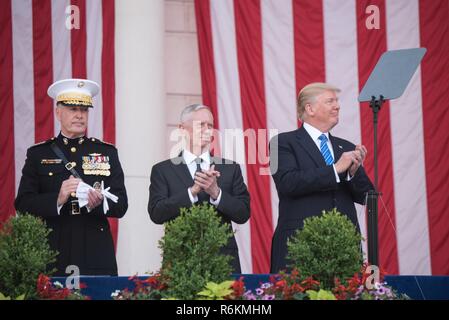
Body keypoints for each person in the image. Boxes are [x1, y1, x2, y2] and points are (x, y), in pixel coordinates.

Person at [15, 79, 128, 276]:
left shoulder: (106, 152)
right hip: (53, 248)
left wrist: (98, 203)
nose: (79, 115)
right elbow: (23, 203)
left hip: (95, 249)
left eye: (84, 110)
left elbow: (121, 205)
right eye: (73, 109)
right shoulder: (38, 154)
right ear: (58, 113)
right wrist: (57, 199)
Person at [270, 82, 374, 273]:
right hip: (300, 243)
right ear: (309, 108)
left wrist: (352, 173)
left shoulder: (345, 146)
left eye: (337, 101)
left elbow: (366, 196)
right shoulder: (282, 142)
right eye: (330, 101)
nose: (337, 106)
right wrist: (334, 169)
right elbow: (287, 183)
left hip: (344, 246)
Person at [148, 104, 250, 273]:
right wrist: (192, 192)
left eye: (210, 125)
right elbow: (157, 213)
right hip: (180, 260)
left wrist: (216, 193)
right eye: (200, 124)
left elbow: (243, 213)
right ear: (182, 129)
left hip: (223, 259)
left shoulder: (230, 168)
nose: (207, 130)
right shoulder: (163, 170)